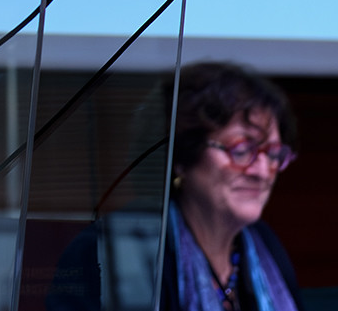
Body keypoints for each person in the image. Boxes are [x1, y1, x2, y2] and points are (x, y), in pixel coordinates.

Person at [46, 62, 302, 311]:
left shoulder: (262, 243)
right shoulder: (116, 247)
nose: (260, 171)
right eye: (242, 150)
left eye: (273, 153)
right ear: (180, 155)